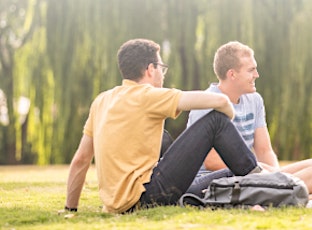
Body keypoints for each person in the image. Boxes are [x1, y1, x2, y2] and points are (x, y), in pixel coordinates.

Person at [64, 38, 264, 214]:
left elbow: (81, 159)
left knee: (225, 172)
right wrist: (227, 116)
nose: (163, 73)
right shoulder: (148, 95)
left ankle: (258, 179)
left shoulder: (101, 101)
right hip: (147, 196)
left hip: (120, 204)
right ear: (151, 69)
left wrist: (70, 208)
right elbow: (219, 102)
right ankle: (266, 184)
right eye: (161, 67)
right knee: (216, 122)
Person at [185, 41, 312, 202]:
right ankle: (307, 196)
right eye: (251, 70)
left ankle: (288, 192)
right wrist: (261, 173)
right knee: (291, 176)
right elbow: (212, 162)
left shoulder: (255, 100)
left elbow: (265, 150)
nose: (256, 75)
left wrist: (275, 176)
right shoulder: (207, 102)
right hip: (220, 179)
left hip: (254, 171)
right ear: (232, 74)